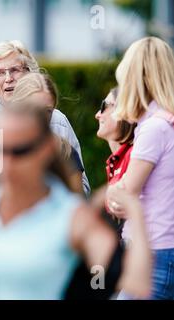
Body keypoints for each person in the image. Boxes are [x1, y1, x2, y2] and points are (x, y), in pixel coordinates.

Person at [0, 104, 151, 300]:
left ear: (46, 150)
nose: (7, 163)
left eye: (20, 152)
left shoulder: (71, 216)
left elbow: (136, 283)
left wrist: (135, 212)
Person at [0, 40, 90, 194]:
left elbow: (82, 189)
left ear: (29, 73)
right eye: (0, 73)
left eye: (15, 70)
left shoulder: (57, 120)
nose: (9, 78)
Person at [107, 36, 174, 300]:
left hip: (153, 251)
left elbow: (125, 194)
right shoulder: (166, 121)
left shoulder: (154, 128)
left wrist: (115, 193)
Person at [95, 87, 136, 233]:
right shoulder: (117, 158)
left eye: (104, 106)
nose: (97, 115)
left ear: (124, 110)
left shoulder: (134, 155)